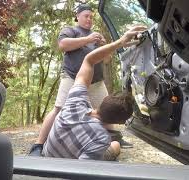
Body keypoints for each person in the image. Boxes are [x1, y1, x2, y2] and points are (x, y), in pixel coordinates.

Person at [29, 3, 132, 156]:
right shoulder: (71, 30)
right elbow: (63, 45)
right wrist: (87, 39)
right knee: (58, 109)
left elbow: (106, 60)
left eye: (91, 17)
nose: (89, 19)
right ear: (77, 16)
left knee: (108, 108)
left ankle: (115, 138)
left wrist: (103, 46)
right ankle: (38, 145)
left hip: (97, 81)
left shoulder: (96, 36)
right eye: (86, 16)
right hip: (72, 77)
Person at [42, 25, 147, 160]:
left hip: (47, 156)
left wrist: (120, 42)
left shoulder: (74, 103)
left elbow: (89, 60)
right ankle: (37, 144)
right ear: (121, 122)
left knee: (110, 145)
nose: (89, 19)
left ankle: (40, 146)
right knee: (115, 146)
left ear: (103, 101)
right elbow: (84, 169)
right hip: (59, 169)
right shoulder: (101, 138)